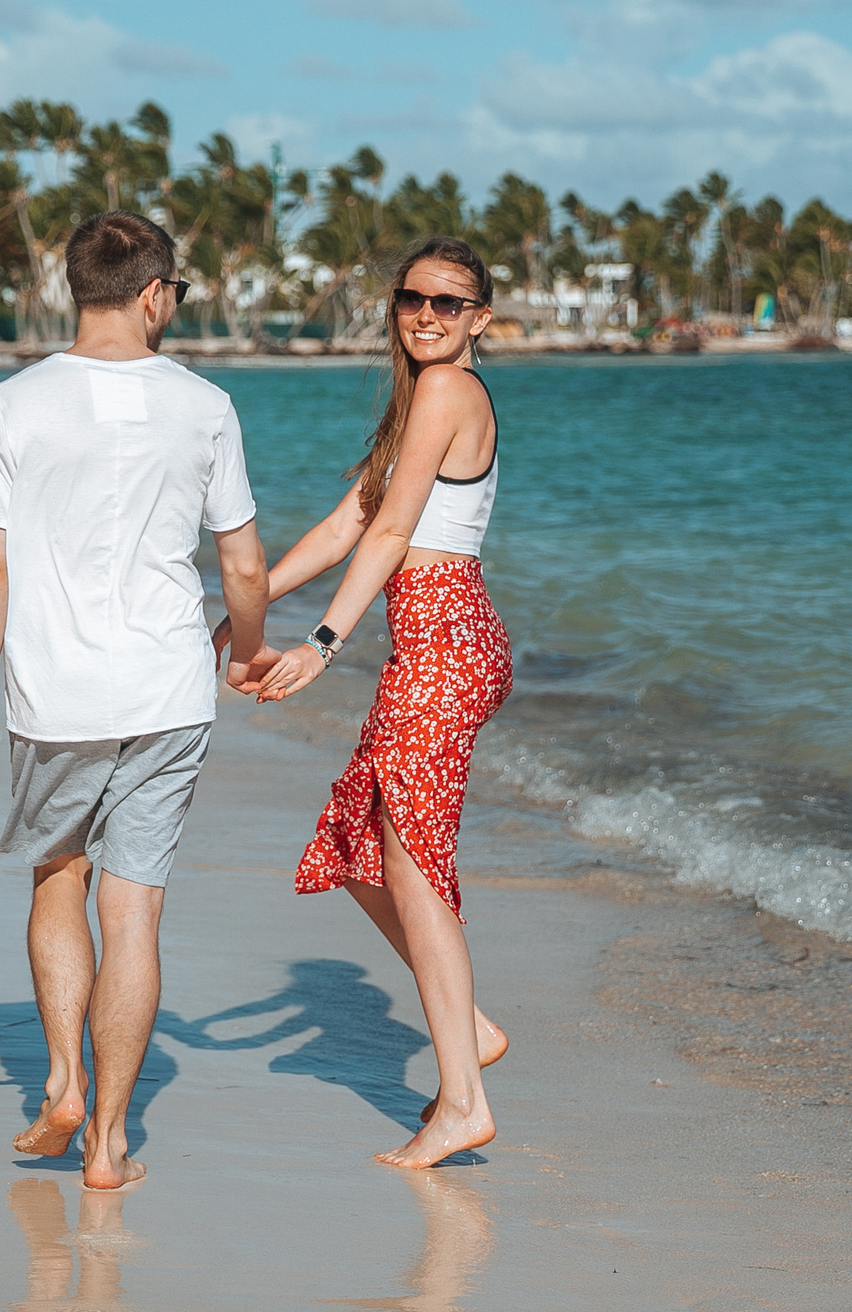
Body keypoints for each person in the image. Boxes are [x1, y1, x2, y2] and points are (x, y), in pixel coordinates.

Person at [0, 210, 278, 1192]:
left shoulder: (14, 403)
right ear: (153, 294)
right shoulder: (207, 405)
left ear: (74, 288)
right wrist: (249, 654)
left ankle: (59, 1082)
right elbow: (245, 564)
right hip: (170, 689)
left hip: (55, 695)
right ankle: (107, 1146)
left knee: (60, 880)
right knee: (134, 912)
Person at [236, 235, 513, 1169]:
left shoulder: (449, 390)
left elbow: (396, 530)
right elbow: (355, 515)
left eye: (448, 302)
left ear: (480, 318)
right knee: (357, 845)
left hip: (444, 643)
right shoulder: (418, 400)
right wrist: (251, 599)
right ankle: (465, 1021)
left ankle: (463, 1101)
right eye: (411, 300)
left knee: (415, 863)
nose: (426, 315)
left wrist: (322, 641)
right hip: (434, 644)